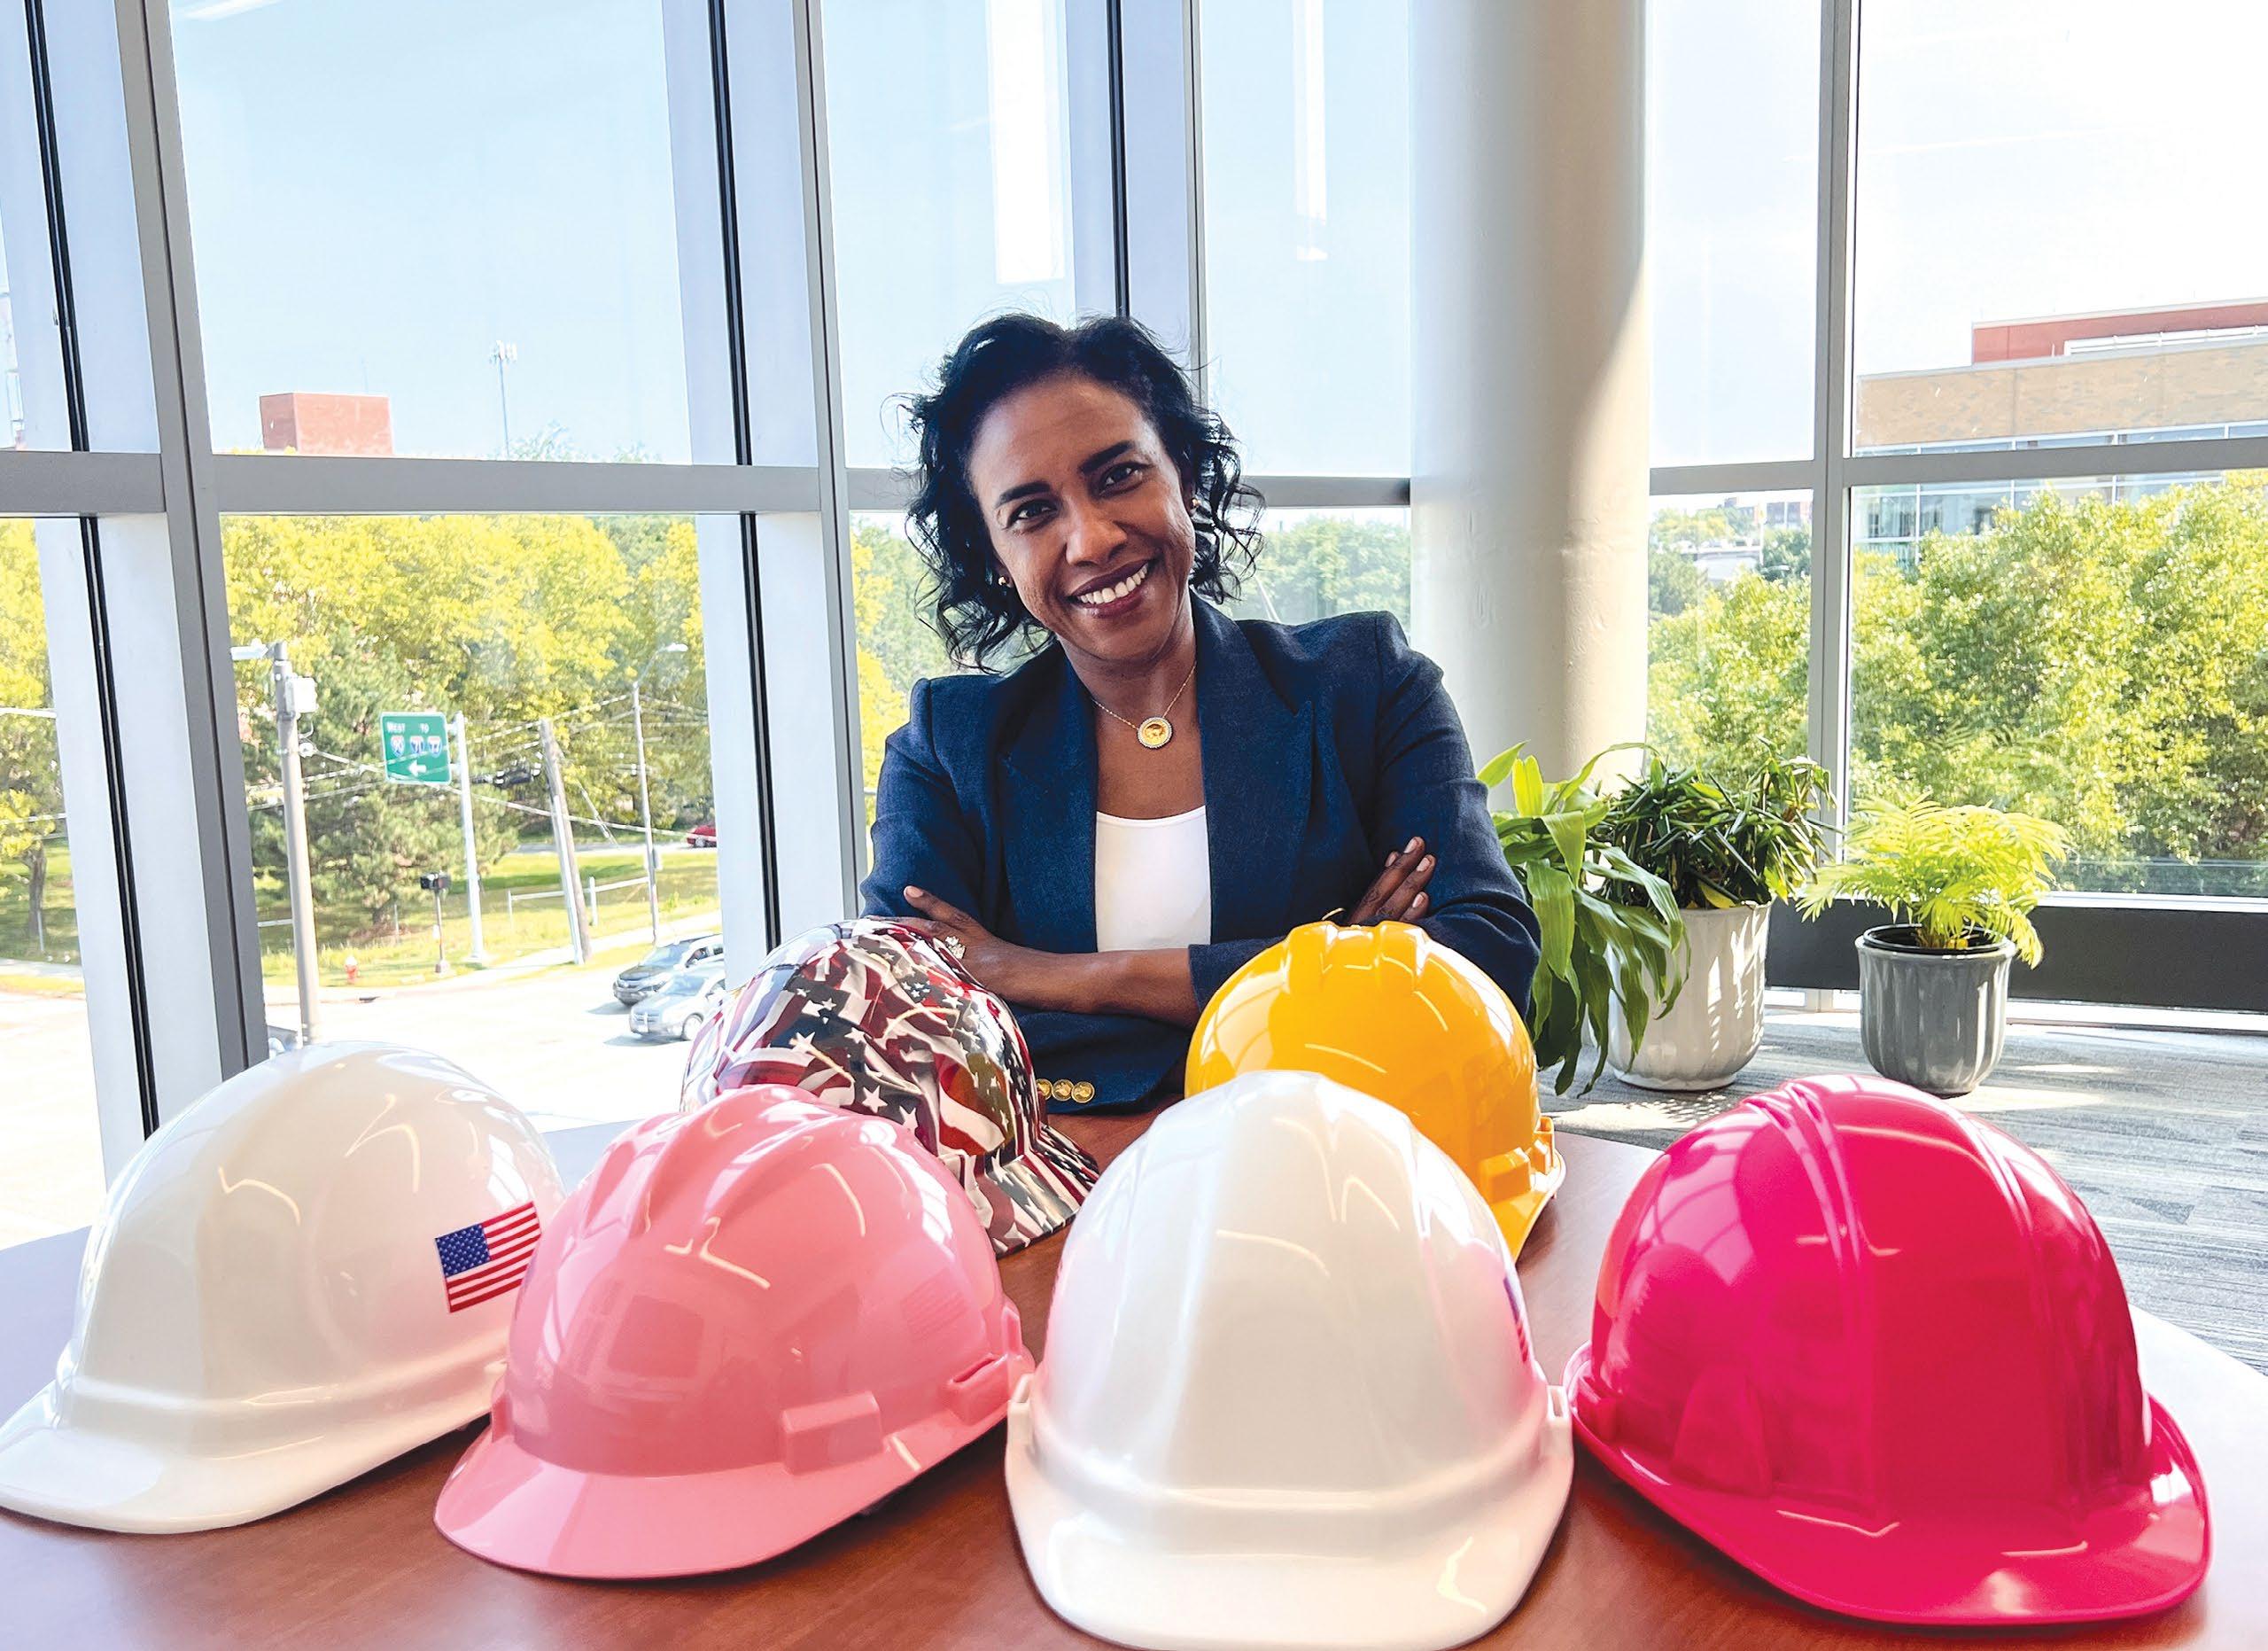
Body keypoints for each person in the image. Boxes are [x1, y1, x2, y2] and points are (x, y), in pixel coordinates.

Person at [861, 313, 1541, 1110]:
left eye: (1118, 476)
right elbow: (904, 1023)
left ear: (1182, 475)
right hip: (1071, 1174)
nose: (1092, 539)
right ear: (994, 555)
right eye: (1032, 512)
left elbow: (1488, 960)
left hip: (1335, 1165)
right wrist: (1336, 963)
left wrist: (1050, 976)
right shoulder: (948, 745)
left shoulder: (1366, 685)